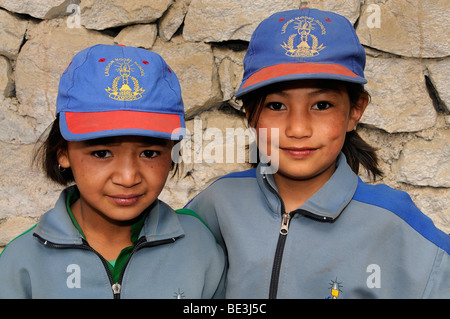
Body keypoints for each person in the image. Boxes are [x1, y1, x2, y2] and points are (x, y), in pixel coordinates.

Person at [185, 8, 450, 298]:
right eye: (276, 105)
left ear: (355, 111)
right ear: (250, 113)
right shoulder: (217, 205)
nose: (298, 129)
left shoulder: (395, 224)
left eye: (322, 105)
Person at [0, 44, 225, 299]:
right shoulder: (23, 265)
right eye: (102, 153)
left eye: (149, 153)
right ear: (62, 152)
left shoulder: (200, 249)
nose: (128, 178)